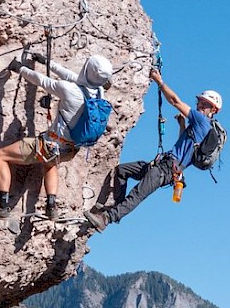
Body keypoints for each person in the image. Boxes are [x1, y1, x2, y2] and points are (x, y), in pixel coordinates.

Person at [84, 67, 222, 232]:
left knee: (138, 193)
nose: (200, 105)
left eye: (205, 104)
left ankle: (107, 218)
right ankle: (117, 207)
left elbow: (175, 101)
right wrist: (182, 126)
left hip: (167, 169)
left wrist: (159, 81)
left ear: (213, 110)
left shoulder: (202, 121)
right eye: (200, 102)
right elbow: (184, 147)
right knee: (121, 171)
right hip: (165, 165)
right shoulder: (198, 127)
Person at [0, 53, 113, 220]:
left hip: (49, 146)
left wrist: (20, 69)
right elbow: (70, 76)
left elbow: (42, 81)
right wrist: (47, 62)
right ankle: (51, 207)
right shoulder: (99, 92)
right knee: (50, 162)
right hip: (69, 150)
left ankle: (2, 206)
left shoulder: (70, 90)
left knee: (0, 156)